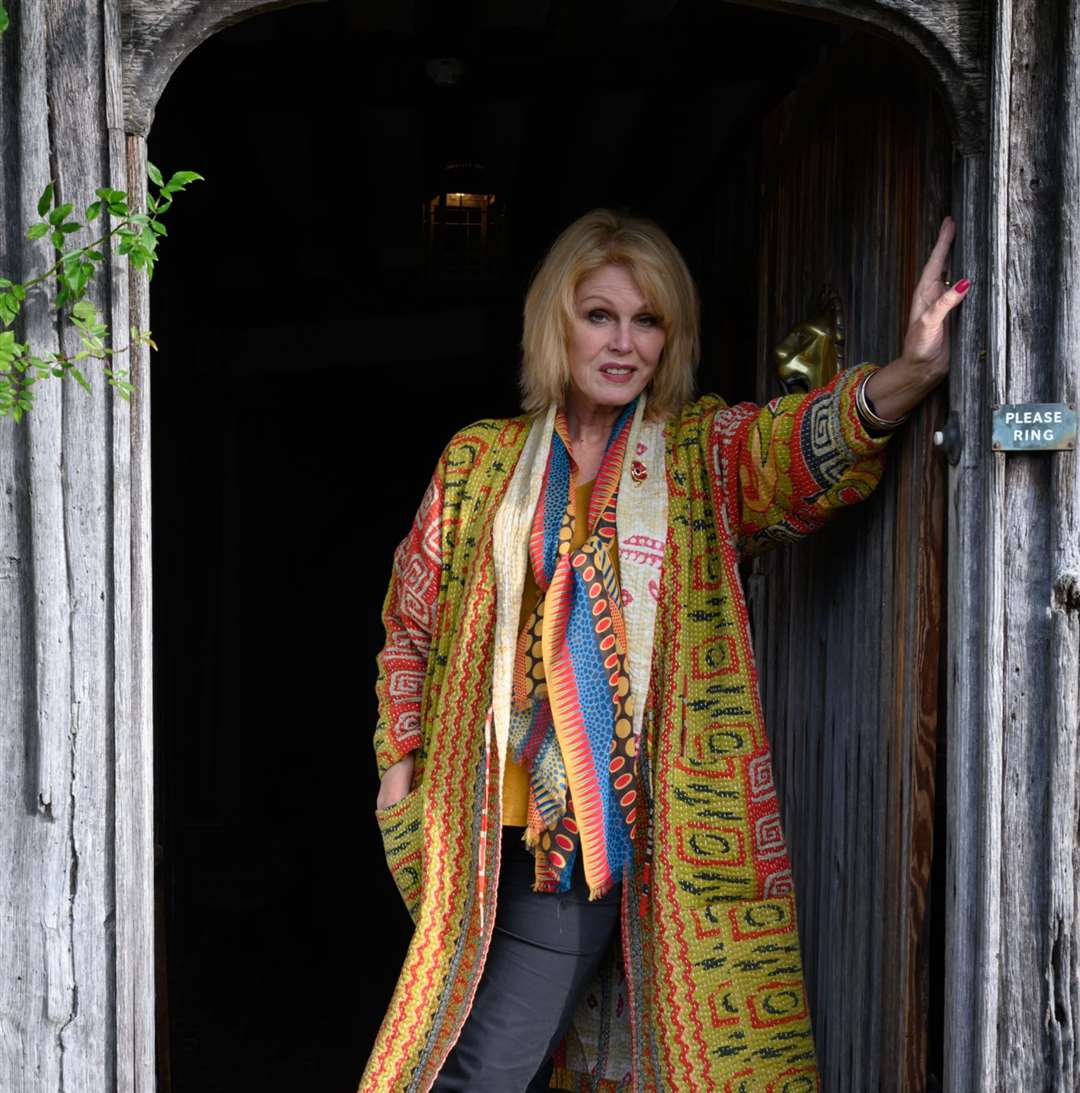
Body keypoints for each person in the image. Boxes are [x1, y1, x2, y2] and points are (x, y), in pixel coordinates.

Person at [361, 209, 968, 1092]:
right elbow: (409, 624)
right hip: (476, 833)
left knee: (471, 1072)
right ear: (554, 322)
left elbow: (793, 452)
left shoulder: (694, 453)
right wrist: (399, 765)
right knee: (486, 1056)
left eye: (648, 321)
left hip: (590, 847)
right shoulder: (479, 462)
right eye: (599, 314)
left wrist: (908, 374)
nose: (623, 342)